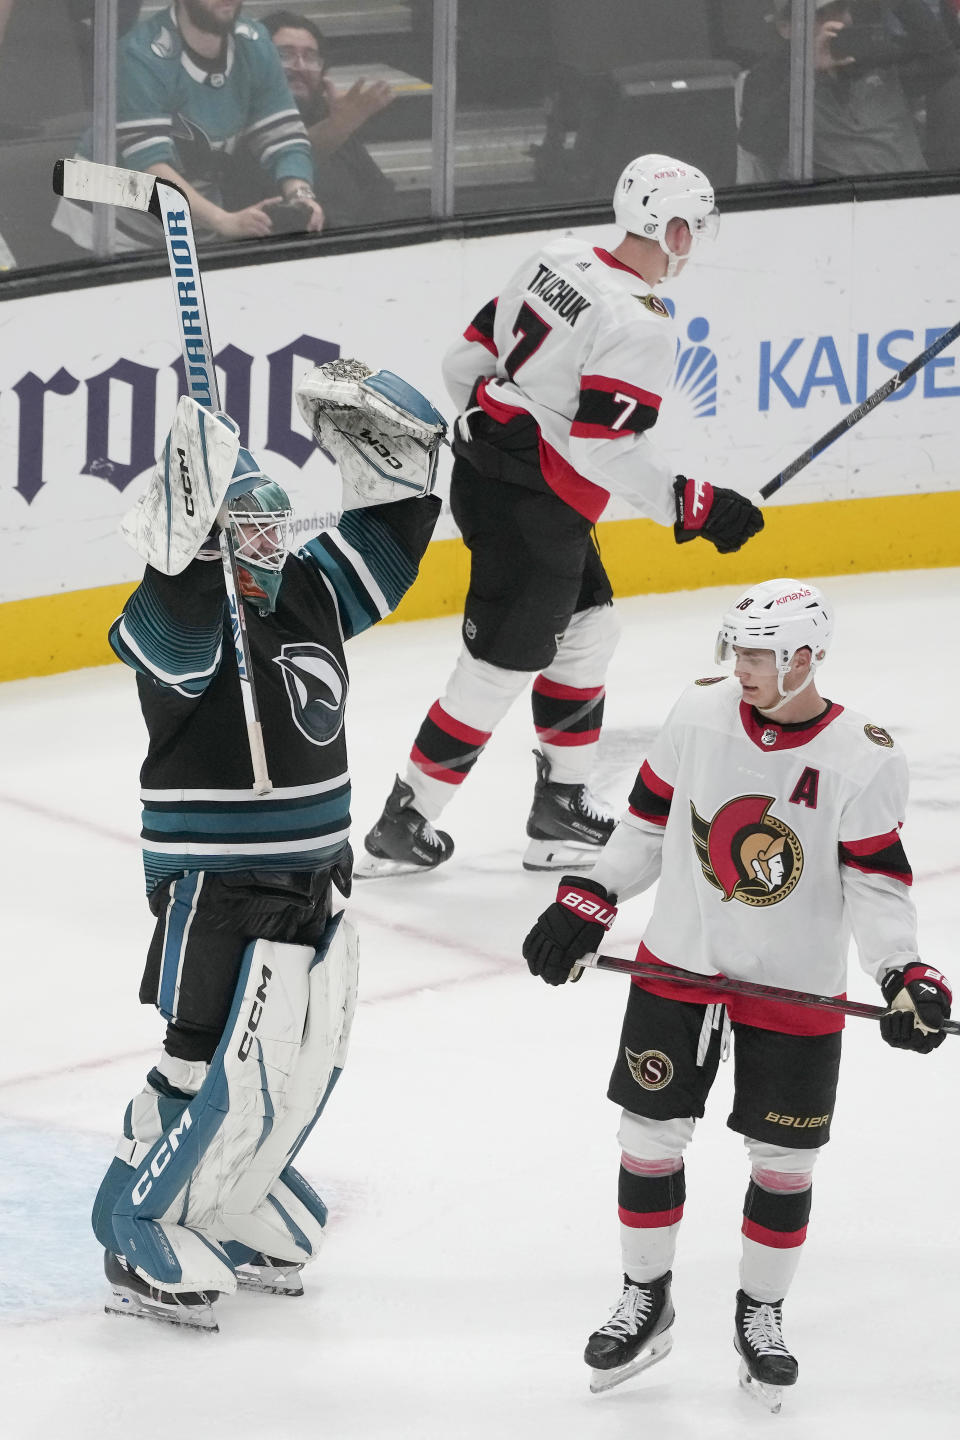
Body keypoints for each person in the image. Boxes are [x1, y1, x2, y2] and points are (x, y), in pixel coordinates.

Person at [522, 577, 951, 1408]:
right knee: (647, 1138)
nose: (741, 665)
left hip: (794, 988)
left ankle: (762, 1314)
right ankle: (647, 1299)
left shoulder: (862, 755)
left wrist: (903, 971)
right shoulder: (699, 712)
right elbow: (648, 822)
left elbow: (876, 884)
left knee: (785, 1163)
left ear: (804, 658)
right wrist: (594, 894)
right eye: (740, 649)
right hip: (680, 967)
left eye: (759, 653)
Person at [90, 361, 444, 1330]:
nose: (265, 539)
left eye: (270, 519)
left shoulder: (309, 590)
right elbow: (181, 642)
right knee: (210, 1062)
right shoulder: (170, 609)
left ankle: (233, 1196)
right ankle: (136, 1218)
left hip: (313, 869)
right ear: (200, 531)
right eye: (240, 523)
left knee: (301, 1055)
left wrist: (398, 445)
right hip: (217, 877)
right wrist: (191, 543)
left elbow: (392, 537)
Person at [356, 153, 764, 881]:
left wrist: (514, 425)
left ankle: (560, 810)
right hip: (535, 510)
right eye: (690, 229)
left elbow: (464, 362)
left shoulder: (559, 257)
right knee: (494, 670)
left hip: (495, 480)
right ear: (667, 229)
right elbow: (601, 447)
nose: (692, 245)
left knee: (589, 628)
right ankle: (405, 819)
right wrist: (695, 505)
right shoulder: (639, 324)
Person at [53, 0, 323, 253]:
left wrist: (301, 195)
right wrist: (222, 221)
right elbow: (149, 166)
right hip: (106, 225)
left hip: (190, 223)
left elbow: (285, 138)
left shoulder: (255, 43)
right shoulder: (140, 52)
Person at [739, 0, 960, 179]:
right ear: (786, 27)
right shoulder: (769, 75)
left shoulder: (877, 55)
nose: (841, 20)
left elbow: (944, 62)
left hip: (914, 199)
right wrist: (809, 72)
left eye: (843, 8)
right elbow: (756, 141)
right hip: (835, 211)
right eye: (824, 13)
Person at [250, 9, 396, 229]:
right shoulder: (238, 125)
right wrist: (335, 129)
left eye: (310, 57)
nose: (299, 66)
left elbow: (382, 198)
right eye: (284, 55)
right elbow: (267, 174)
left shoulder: (337, 122)